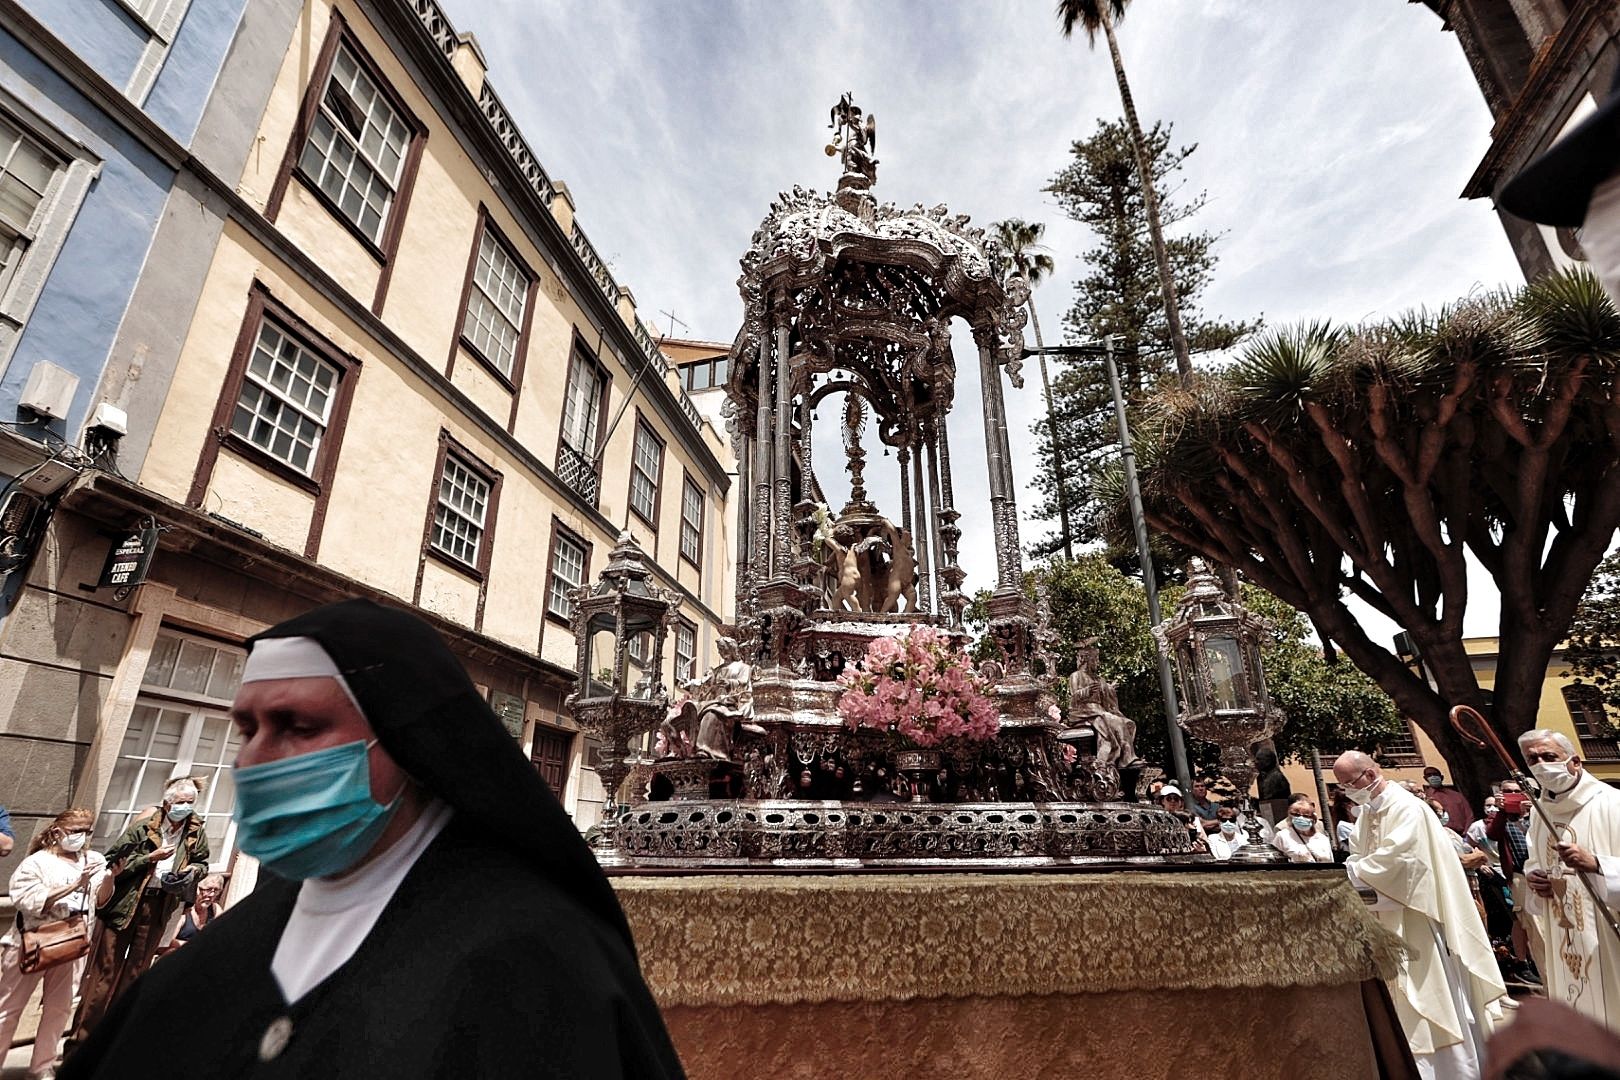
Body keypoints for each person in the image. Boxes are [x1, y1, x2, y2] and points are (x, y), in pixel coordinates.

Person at [59, 598, 683, 1078]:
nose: (252, 760)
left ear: (409, 745)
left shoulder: (540, 956)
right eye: (246, 728)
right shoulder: (217, 954)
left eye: (297, 725)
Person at [1334, 750, 1507, 1078]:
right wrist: (1354, 868)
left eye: (1347, 783)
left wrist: (1349, 871)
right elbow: (1360, 853)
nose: (1346, 791)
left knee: (1427, 998)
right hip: (1384, 919)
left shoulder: (1406, 808)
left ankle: (1449, 1072)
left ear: (1369, 775)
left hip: (1414, 918)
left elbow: (1401, 865)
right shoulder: (1371, 811)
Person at [67, 777, 209, 1048]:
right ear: (168, 803)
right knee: (104, 977)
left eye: (190, 803)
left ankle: (112, 1043)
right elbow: (113, 862)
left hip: (159, 906)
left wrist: (192, 871)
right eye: (180, 802)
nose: (185, 807)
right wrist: (149, 860)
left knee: (136, 975)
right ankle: (79, 1046)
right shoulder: (145, 826)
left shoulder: (195, 831)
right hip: (127, 904)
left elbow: (202, 861)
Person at [1517, 729, 1620, 1029]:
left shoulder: (1611, 804)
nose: (1540, 765)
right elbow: (1535, 860)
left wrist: (1598, 864)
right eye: (1532, 759)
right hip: (1566, 931)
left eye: (1549, 757)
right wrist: (1536, 879)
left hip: (1607, 929)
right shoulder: (1539, 813)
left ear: (1575, 761)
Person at [0, 809, 110, 1079]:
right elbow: (28, 902)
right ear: (58, 831)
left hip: (72, 942)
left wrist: (109, 878)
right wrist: (75, 884)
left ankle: (41, 1067)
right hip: (31, 942)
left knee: (58, 1009)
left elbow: (101, 901)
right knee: (8, 1009)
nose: (81, 836)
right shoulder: (37, 862)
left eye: (87, 830)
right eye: (75, 831)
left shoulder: (93, 859)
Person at [156, 873, 225, 956]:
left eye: (216, 890)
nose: (212, 895)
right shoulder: (183, 911)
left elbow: (221, 935)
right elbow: (165, 944)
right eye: (208, 889)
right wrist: (195, 946)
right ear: (197, 889)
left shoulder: (215, 909)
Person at [1272, 796, 1334, 863]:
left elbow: (1331, 861)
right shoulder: (1282, 836)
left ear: (1313, 818)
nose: (1301, 818)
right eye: (1296, 815)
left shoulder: (1322, 839)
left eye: (1306, 815)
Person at [1423, 766, 1473, 836]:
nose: (1433, 777)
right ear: (1425, 778)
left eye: (1435, 774)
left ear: (1442, 777)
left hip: (1462, 834)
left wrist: (1466, 832)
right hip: (1442, 836)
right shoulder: (1426, 798)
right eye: (1429, 775)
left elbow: (1469, 815)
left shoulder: (1456, 795)